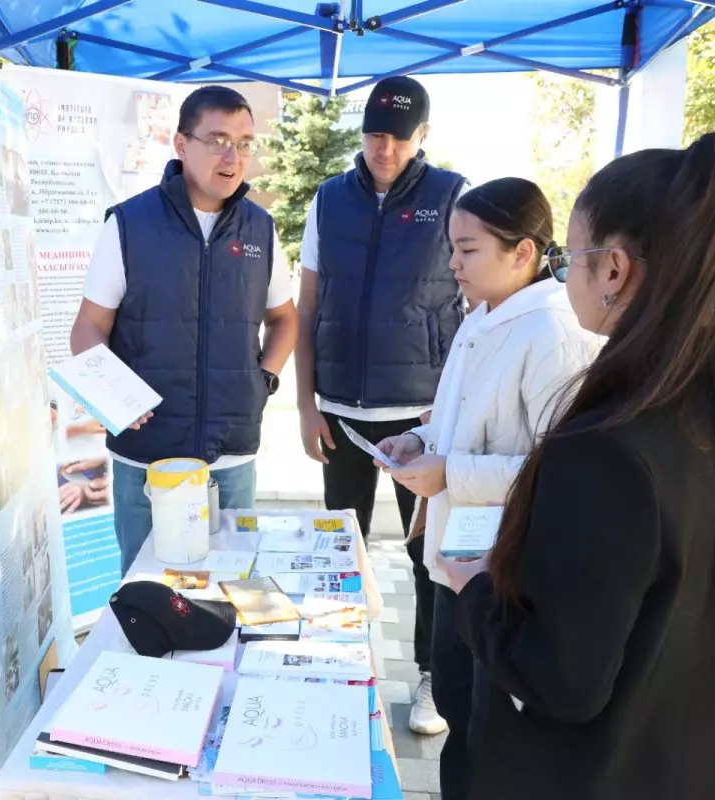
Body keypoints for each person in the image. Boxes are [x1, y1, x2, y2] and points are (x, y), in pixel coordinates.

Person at [442, 133, 715, 799]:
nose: (565, 272)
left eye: (572, 255)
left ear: (615, 270)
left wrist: (475, 589)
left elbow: (562, 678)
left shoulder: (606, 450)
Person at [374, 178, 602, 799]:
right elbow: (459, 416)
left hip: (506, 568)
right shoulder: (483, 315)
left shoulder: (553, 332)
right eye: (452, 247)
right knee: (457, 704)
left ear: (523, 252)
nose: (453, 263)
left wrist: (451, 473)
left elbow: (557, 468)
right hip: (460, 560)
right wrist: (417, 444)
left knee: (490, 730)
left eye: (468, 249)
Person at [294, 75, 466, 736]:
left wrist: (447, 413)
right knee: (341, 550)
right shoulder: (328, 199)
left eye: (398, 136)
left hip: (420, 416)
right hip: (340, 409)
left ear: (422, 137)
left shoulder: (454, 195)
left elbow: (472, 302)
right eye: (373, 134)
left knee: (428, 555)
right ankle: (341, 662)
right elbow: (308, 306)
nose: (384, 148)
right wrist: (307, 407)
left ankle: (432, 676)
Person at [70, 85, 298, 573]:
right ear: (180, 144)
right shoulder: (129, 224)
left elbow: (284, 320)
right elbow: (88, 328)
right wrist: (113, 399)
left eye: (243, 142)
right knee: (146, 593)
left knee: (230, 589)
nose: (232, 156)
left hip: (232, 458)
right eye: (217, 140)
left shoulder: (261, 229)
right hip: (146, 461)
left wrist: (264, 381)